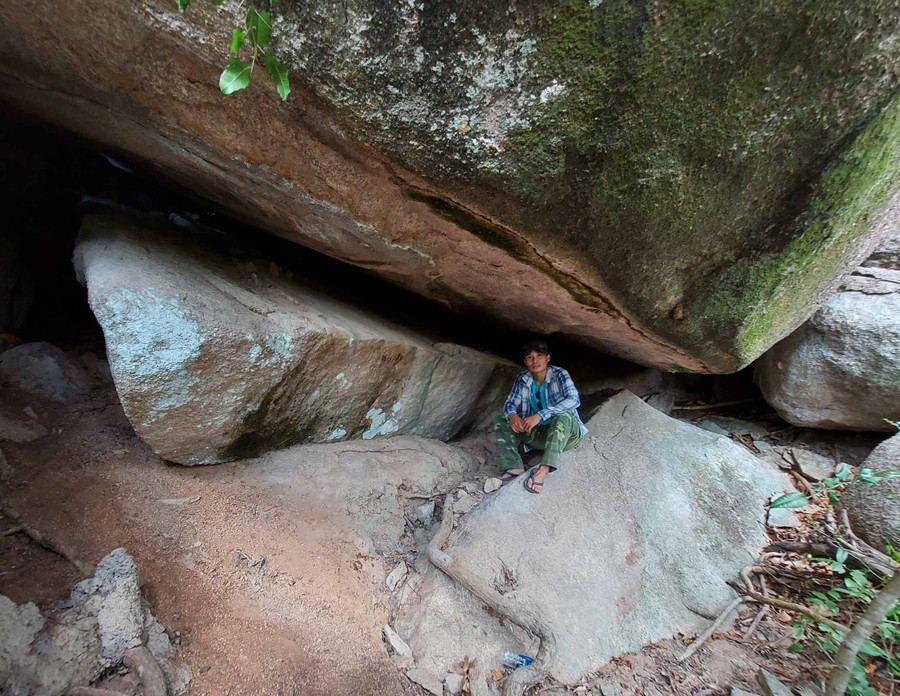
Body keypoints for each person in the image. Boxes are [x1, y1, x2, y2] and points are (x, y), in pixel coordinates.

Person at [494, 339, 588, 494]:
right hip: (540, 435)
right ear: (525, 362)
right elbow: (510, 403)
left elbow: (574, 399)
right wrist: (512, 415)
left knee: (562, 416)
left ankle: (543, 469)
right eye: (530, 357)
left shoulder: (560, 374)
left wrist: (540, 414)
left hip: (565, 436)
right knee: (502, 418)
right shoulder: (522, 379)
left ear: (548, 358)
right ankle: (514, 467)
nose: (535, 360)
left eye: (539, 355)